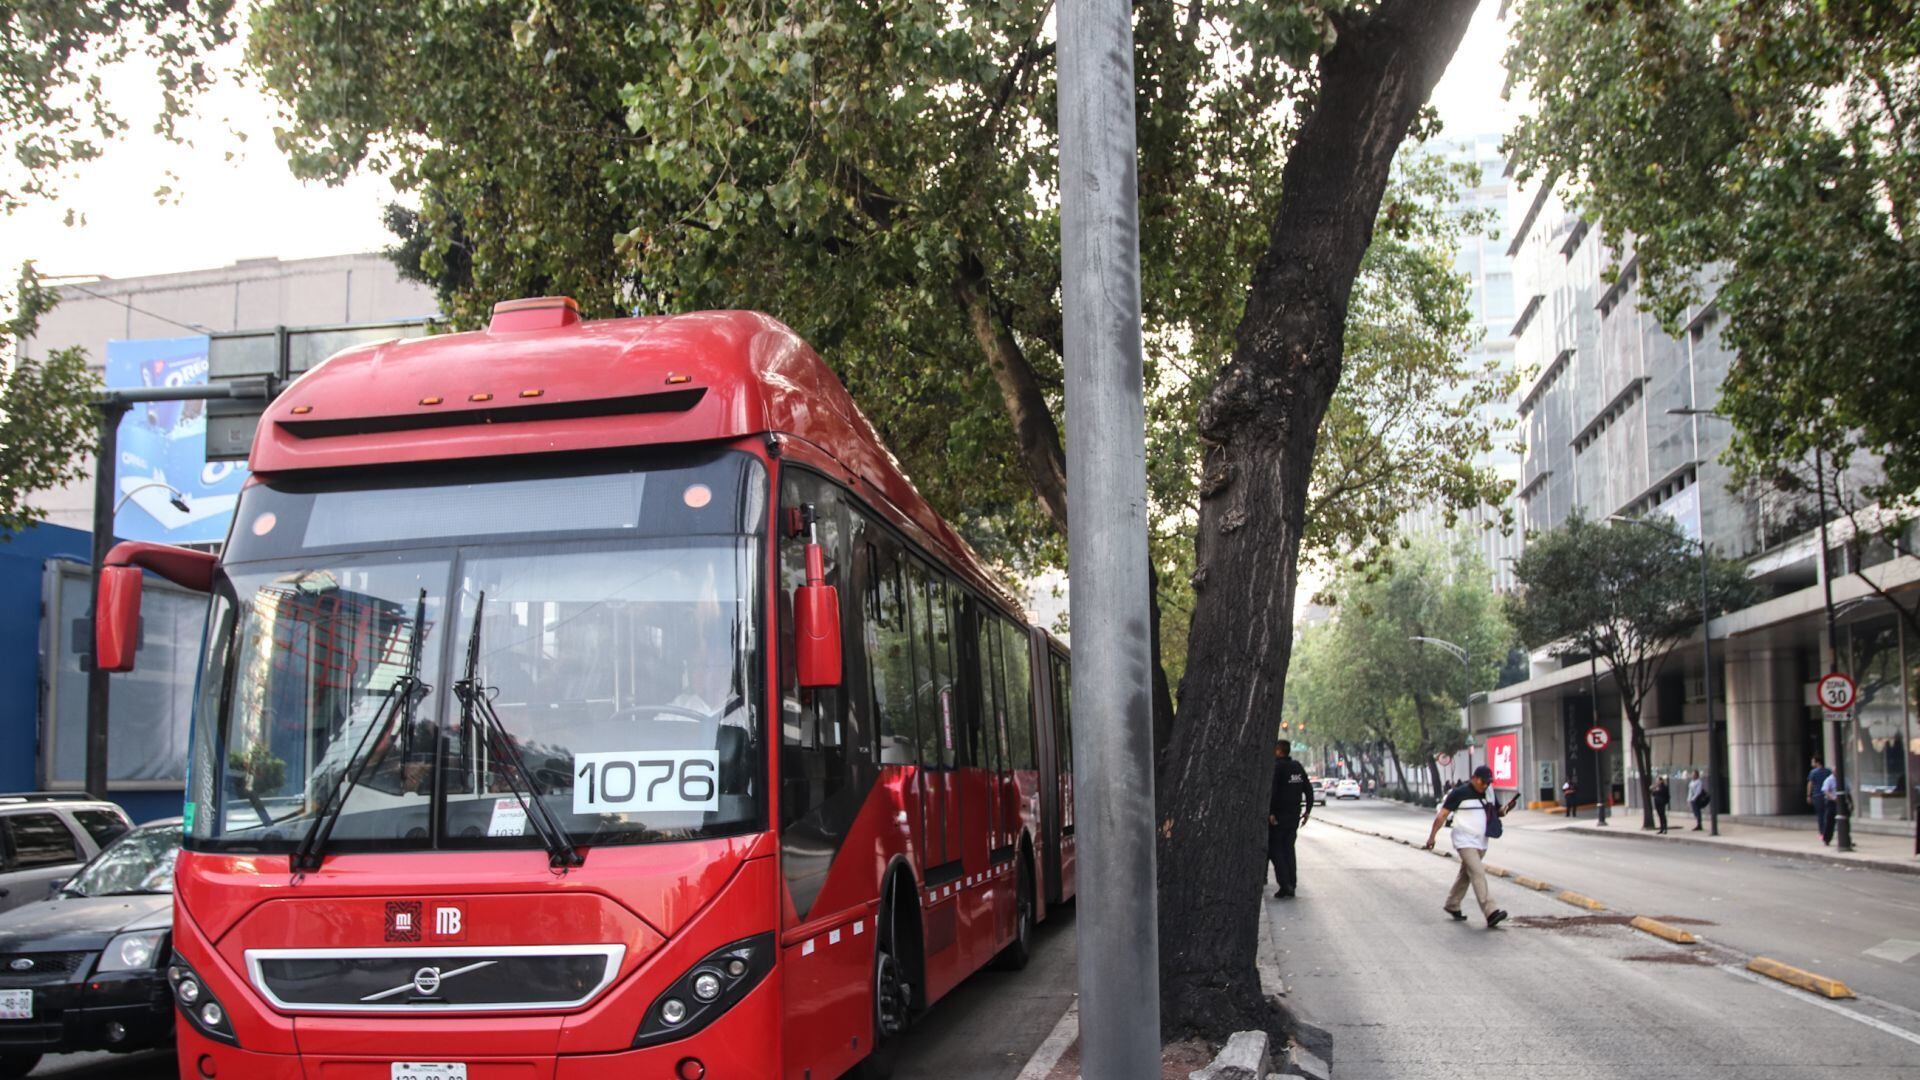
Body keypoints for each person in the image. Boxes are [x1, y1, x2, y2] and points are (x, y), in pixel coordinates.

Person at [1425, 765, 1516, 928]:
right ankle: (1491, 911)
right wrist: (1432, 836)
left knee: (1466, 874)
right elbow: (1442, 815)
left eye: (1488, 782)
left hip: (1481, 842)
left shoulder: (1489, 792)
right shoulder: (1459, 793)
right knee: (1477, 872)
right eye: (1483, 782)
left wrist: (1506, 809)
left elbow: (1497, 812)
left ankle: (1452, 904)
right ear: (1474, 778)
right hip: (1464, 841)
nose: (1485, 785)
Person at [1268, 739, 1313, 898]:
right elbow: (1308, 789)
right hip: (1294, 815)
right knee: (1289, 849)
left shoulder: (1277, 767)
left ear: (1279, 751)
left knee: (1276, 850)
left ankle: (1285, 884)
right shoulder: (1297, 767)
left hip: (1279, 816)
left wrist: (1271, 812)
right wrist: (1307, 810)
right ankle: (1292, 883)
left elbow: (1272, 791)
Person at [1807, 755, 1835, 845]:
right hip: (1826, 796)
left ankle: (1822, 833)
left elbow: (1810, 784)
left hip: (1817, 795)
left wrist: (1808, 795)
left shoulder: (1813, 772)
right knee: (1827, 815)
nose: (1812, 764)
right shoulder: (1828, 771)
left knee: (1820, 815)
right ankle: (1826, 832)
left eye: (1813, 762)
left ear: (1817, 762)